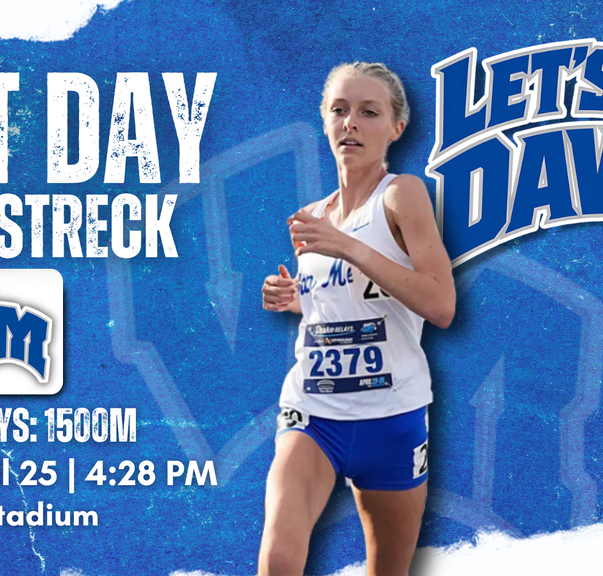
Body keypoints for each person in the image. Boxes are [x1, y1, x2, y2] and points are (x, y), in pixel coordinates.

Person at [258, 62, 456, 576]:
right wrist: (294, 297)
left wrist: (345, 245)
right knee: (279, 560)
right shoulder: (311, 217)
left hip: (393, 420)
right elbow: (346, 301)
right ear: (325, 121)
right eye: (339, 110)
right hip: (313, 412)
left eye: (369, 112)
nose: (351, 123)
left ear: (395, 128)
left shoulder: (402, 194)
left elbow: (440, 304)